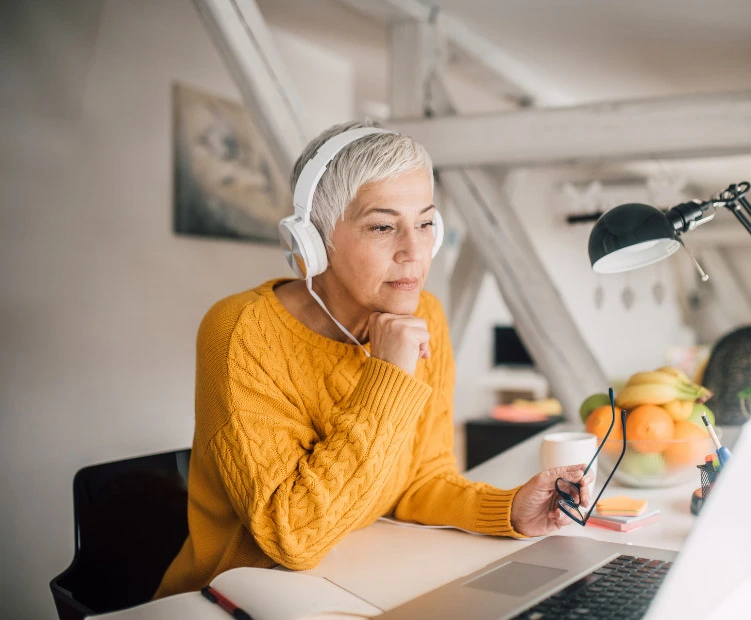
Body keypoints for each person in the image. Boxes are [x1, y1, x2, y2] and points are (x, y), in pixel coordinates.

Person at [155, 120, 592, 598]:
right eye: (383, 226)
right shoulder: (240, 333)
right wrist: (388, 375)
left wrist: (509, 509)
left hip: (354, 582)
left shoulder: (426, 315)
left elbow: (420, 478)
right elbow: (294, 538)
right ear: (314, 241)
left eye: (425, 223)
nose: (414, 251)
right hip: (230, 602)